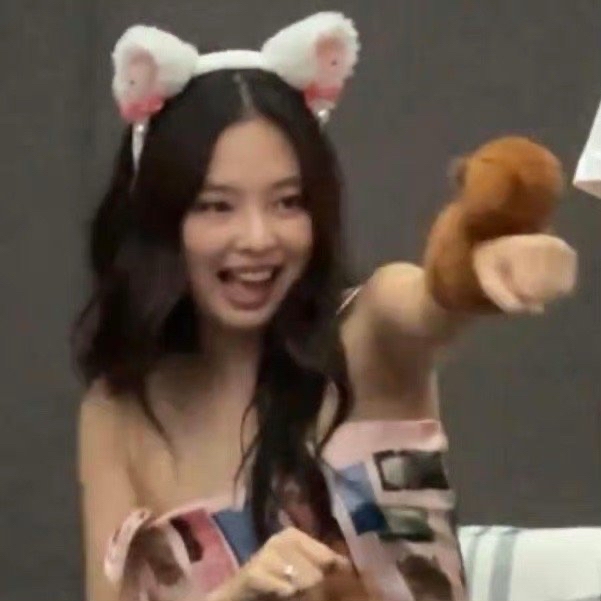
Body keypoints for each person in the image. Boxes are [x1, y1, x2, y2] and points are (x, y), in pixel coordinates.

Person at [74, 12, 577, 601]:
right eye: (216, 206)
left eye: (288, 202)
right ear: (162, 220)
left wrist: (484, 265)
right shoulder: (118, 413)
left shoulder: (369, 332)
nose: (258, 237)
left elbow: (431, 300)